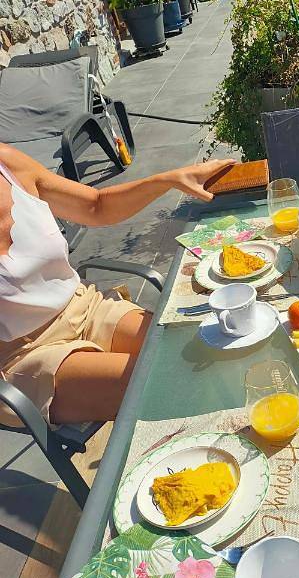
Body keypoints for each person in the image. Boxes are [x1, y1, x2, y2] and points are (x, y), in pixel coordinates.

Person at [0, 143, 234, 427]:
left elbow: (95, 205)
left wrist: (169, 179)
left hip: (84, 307)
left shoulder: (8, 164)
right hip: (24, 353)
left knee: (201, 351)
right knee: (168, 384)